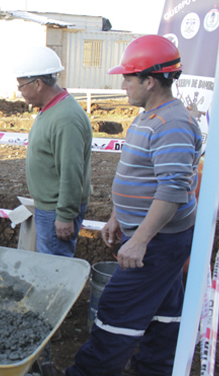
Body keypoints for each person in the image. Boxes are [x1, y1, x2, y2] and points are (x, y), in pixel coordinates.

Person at [55, 35, 202, 376]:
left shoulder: (172, 125)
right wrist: (118, 215)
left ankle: (88, 372)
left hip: (159, 241)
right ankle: (154, 367)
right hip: (153, 236)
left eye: (127, 78)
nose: (123, 85)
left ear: (150, 81)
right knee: (165, 307)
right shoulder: (149, 116)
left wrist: (140, 240)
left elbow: (172, 189)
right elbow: (141, 175)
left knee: (117, 309)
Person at [14, 46, 92, 257]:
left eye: (21, 86)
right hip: (49, 207)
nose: (20, 92)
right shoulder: (51, 111)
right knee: (49, 264)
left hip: (56, 210)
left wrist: (65, 216)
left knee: (55, 268)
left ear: (38, 83)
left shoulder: (65, 118)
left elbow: (71, 171)